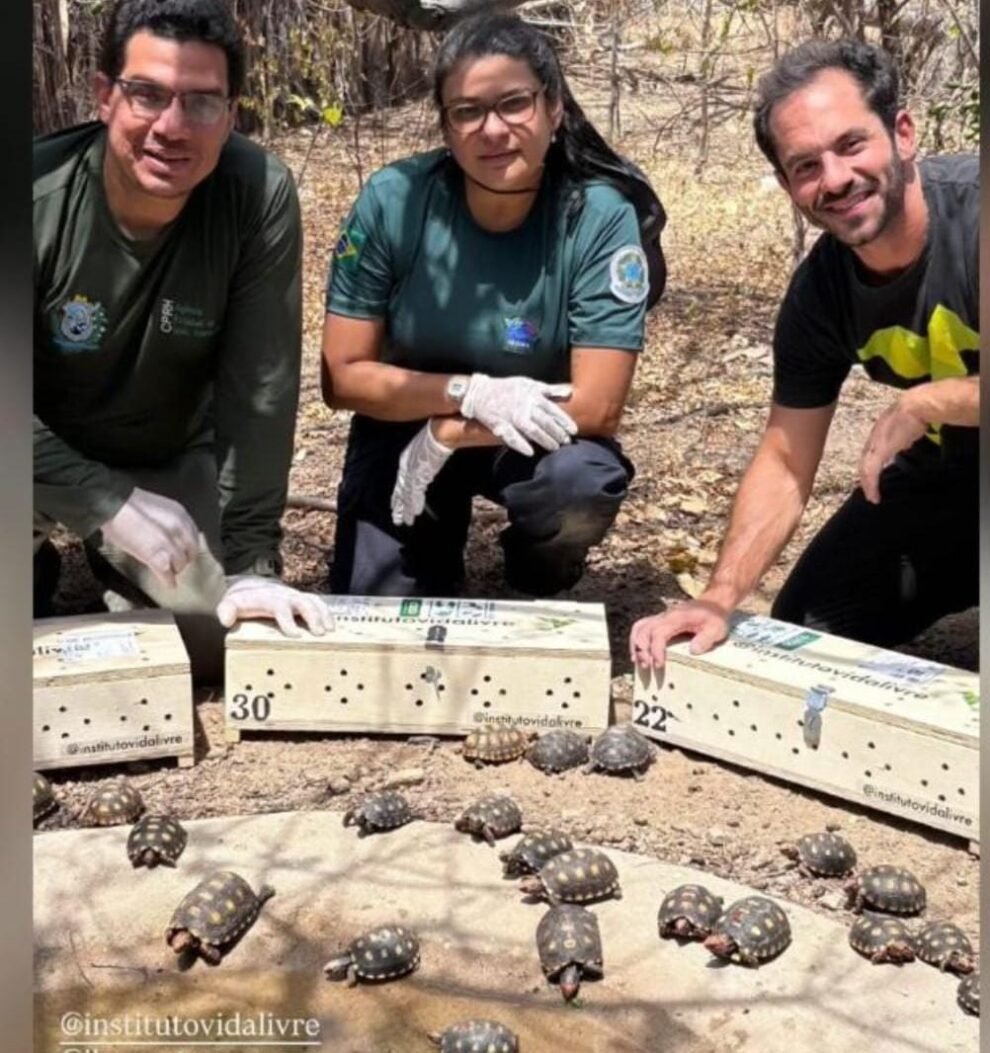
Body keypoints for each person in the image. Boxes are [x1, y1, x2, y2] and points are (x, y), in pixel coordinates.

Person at [630, 38, 978, 668]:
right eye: (807, 166)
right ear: (790, 186)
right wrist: (719, 597)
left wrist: (931, 402)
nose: (836, 179)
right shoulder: (820, 292)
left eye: (851, 145)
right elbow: (787, 459)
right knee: (808, 627)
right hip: (950, 483)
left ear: (902, 134)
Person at [34, 0, 332, 679]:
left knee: (221, 632)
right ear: (104, 96)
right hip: (29, 456)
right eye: (147, 95)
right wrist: (101, 500)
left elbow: (261, 388)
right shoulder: (36, 196)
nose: (171, 127)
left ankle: (125, 573)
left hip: (162, 454)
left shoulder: (255, 195)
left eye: (201, 103)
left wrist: (253, 563)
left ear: (230, 116)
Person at [322, 12, 666, 598]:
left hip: (538, 434)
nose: (492, 129)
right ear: (445, 125)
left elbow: (600, 406)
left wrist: (452, 432)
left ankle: (538, 563)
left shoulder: (598, 217)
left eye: (514, 104)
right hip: (405, 425)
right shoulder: (394, 202)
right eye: (467, 111)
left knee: (579, 484)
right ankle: (430, 551)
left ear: (553, 108)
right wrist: (467, 394)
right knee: (377, 611)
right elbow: (343, 377)